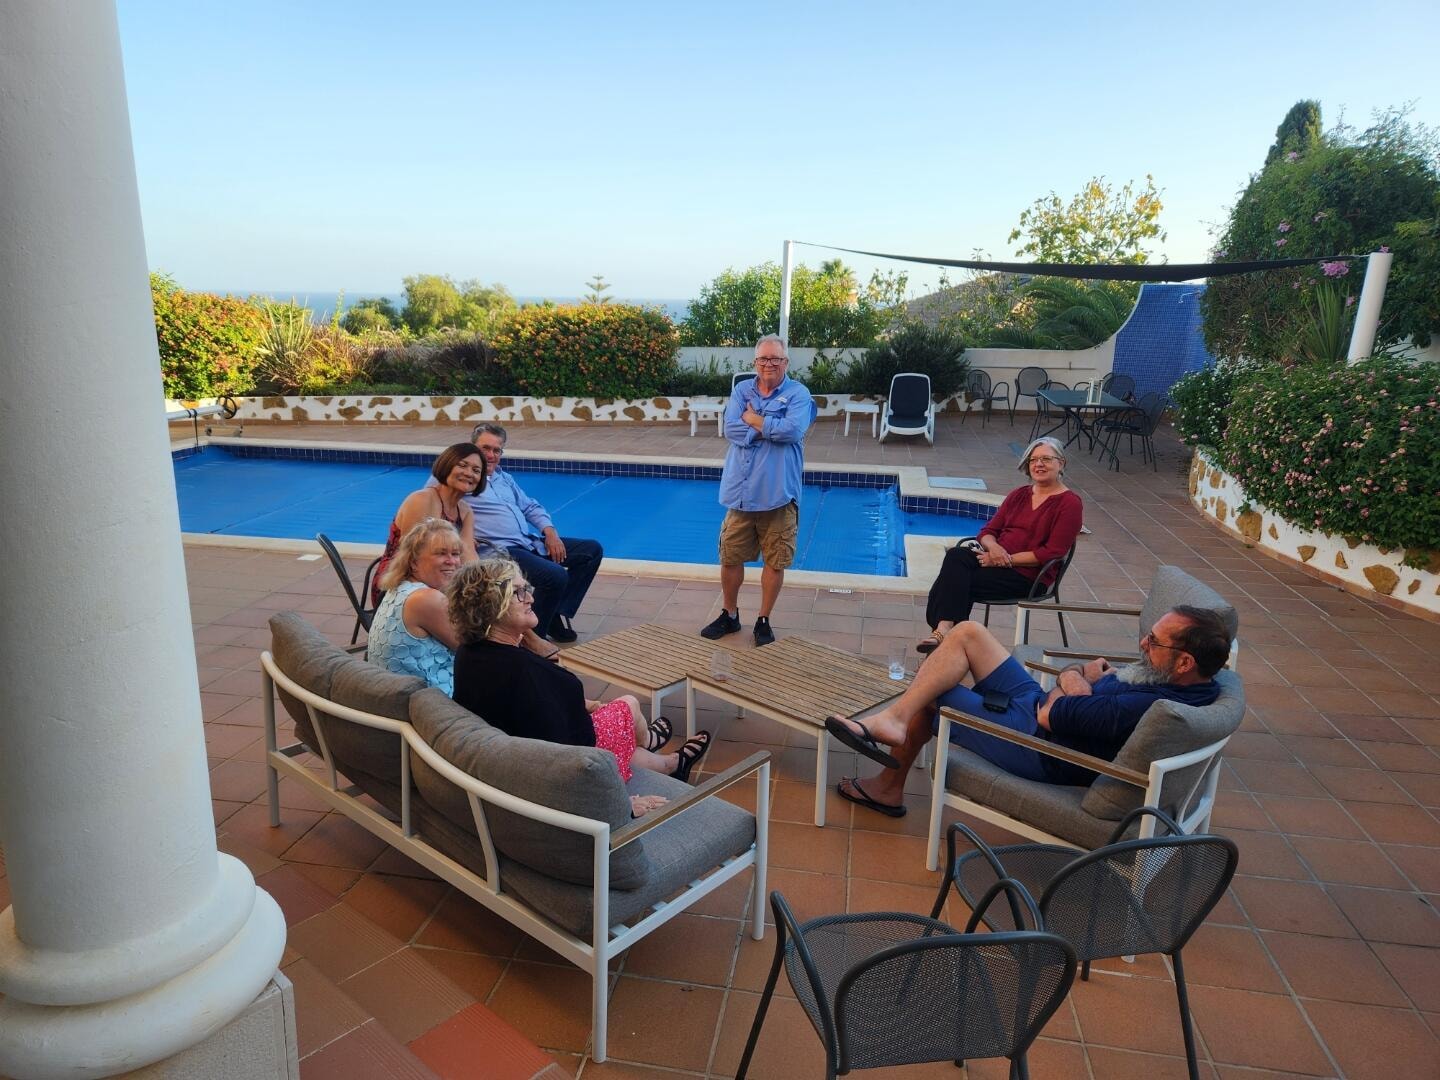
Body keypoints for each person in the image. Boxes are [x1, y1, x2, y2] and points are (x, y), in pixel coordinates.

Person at [826, 606, 1229, 817]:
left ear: (1184, 663)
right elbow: (1071, 696)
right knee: (967, 633)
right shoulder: (1173, 678)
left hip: (1040, 747)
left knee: (934, 694)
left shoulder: (1149, 705)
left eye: (1154, 641)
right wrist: (1074, 686)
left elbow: (1051, 716)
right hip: (1042, 705)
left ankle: (888, 779)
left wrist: (1073, 682)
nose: (1143, 643)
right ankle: (894, 728)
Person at [448, 557, 713, 817]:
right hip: (585, 761)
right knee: (628, 705)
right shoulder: (522, 673)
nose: (530, 597)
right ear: (492, 607)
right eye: (518, 593)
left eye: (527, 589)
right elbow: (566, 764)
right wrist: (619, 805)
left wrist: (586, 705)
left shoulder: (470, 655)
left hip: (517, 758)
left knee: (614, 715)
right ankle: (649, 742)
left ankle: (669, 763)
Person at [699, 334, 816, 647]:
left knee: (775, 561)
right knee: (730, 557)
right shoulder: (742, 389)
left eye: (775, 359)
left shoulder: (798, 393)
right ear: (755, 362)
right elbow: (731, 429)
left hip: (779, 494)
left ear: (785, 362)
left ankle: (763, 619)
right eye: (763, 359)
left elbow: (793, 431)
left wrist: (752, 418)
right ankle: (730, 613)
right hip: (741, 492)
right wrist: (766, 427)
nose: (769, 364)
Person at [916, 436, 1082, 655]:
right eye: (1033, 460)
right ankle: (948, 637)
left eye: (1046, 459)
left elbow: (1052, 552)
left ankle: (944, 639)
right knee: (956, 556)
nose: (1038, 464)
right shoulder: (1019, 495)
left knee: (952, 583)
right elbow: (987, 532)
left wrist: (1006, 560)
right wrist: (994, 549)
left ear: (1061, 463)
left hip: (1029, 576)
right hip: (993, 562)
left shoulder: (1069, 504)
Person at [463, 423, 605, 644]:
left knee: (591, 551)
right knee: (555, 575)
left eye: (496, 450)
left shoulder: (503, 478)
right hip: (499, 551)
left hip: (527, 543)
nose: (491, 455)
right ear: (471, 448)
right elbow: (439, 504)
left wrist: (550, 532)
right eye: (485, 449)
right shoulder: (463, 477)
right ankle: (532, 640)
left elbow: (529, 506)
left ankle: (554, 612)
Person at [371, 442, 483, 606]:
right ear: (447, 464)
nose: (469, 473)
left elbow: (469, 558)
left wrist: (485, 583)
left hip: (441, 580)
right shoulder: (422, 500)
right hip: (400, 585)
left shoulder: (465, 511)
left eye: (476, 470)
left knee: (494, 598)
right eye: (462, 465)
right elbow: (412, 560)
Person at [366, 518, 464, 694]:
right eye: (441, 553)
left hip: (400, 697)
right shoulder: (425, 599)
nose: (452, 561)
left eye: (455, 554)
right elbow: (473, 650)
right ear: (413, 562)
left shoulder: (400, 588)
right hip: (428, 707)